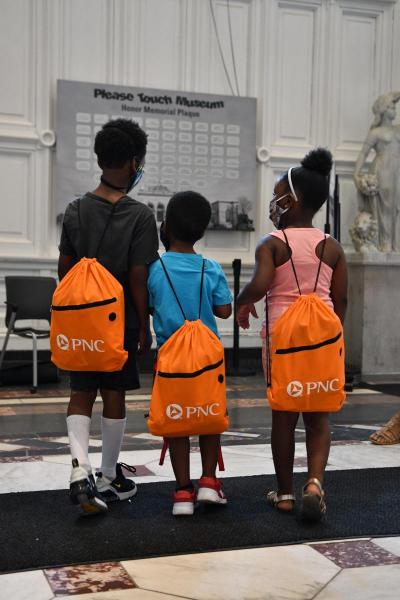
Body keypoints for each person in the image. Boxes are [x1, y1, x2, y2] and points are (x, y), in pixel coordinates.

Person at [236, 148, 348, 520]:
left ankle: (284, 493)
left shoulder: (272, 243)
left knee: (283, 416)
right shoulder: (332, 246)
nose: (274, 200)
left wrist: (242, 300)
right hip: (322, 341)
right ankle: (314, 483)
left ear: (292, 199)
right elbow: (341, 299)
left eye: (278, 192)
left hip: (283, 342)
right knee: (318, 418)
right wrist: (333, 339)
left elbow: (260, 284)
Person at [58, 118, 159, 514]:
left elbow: (64, 268)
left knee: (80, 393)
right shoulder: (140, 216)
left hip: (81, 317)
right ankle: (107, 477)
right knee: (115, 394)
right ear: (134, 163)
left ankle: (78, 471)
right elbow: (139, 277)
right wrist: (144, 324)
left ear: (101, 159)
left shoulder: (75, 210)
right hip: (120, 321)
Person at [148, 191, 232, 516]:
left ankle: (183, 491)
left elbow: (152, 305)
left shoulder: (155, 268)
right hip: (208, 360)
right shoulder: (209, 267)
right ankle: (209, 482)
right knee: (210, 417)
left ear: (165, 226)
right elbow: (224, 310)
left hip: (170, 359)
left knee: (177, 423)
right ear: (202, 231)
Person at [353, 91, 400, 252]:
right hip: (382, 169)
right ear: (383, 109)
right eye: (391, 105)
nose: (395, 108)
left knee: (396, 207)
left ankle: (395, 242)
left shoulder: (398, 129)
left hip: (397, 171)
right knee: (385, 207)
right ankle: (385, 242)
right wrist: (356, 174)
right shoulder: (375, 132)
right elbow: (363, 153)